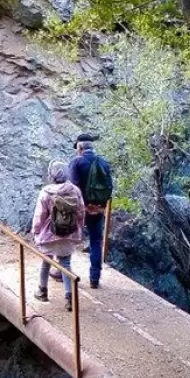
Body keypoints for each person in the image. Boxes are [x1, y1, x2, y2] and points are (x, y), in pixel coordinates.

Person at [31, 160, 85, 311]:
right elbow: (81, 212)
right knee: (66, 265)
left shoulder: (46, 192)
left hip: (49, 234)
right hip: (69, 234)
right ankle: (69, 298)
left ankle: (42, 291)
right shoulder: (75, 190)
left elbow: (40, 215)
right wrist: (79, 228)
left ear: (51, 173)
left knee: (46, 262)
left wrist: (35, 231)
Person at [68, 133, 112, 289]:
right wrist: (99, 206)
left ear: (80, 147)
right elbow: (109, 188)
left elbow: (72, 188)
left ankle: (62, 271)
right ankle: (94, 278)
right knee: (96, 242)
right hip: (98, 210)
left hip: (79, 209)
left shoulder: (76, 162)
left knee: (68, 238)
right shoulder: (103, 163)